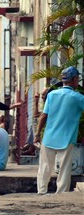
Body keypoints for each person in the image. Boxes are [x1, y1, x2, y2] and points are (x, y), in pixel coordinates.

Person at [35, 66, 84, 195]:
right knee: (64, 168)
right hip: (67, 139)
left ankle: (41, 192)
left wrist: (37, 134)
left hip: (49, 137)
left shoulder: (51, 95)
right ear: (74, 80)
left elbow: (43, 116)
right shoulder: (79, 98)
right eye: (77, 79)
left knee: (45, 167)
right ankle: (61, 194)